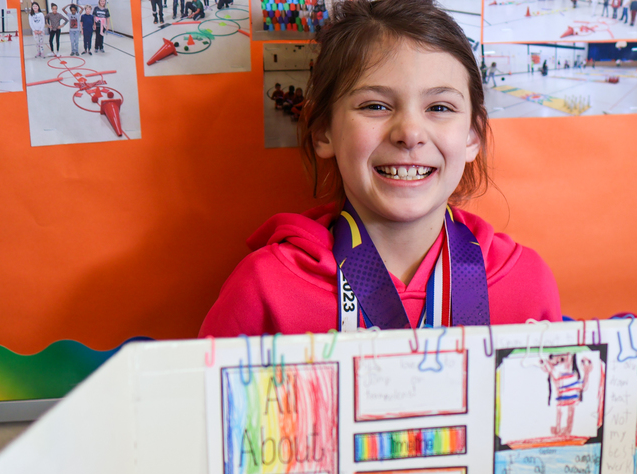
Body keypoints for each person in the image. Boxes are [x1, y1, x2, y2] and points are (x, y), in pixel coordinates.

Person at [199, 0, 561, 337]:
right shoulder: (263, 288)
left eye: (439, 108)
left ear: (472, 135)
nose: (410, 133)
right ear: (323, 130)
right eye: (375, 106)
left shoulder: (527, 283)